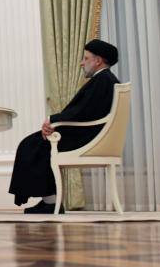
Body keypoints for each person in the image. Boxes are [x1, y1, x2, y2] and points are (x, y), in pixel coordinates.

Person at [9, 39, 121, 214]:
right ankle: (49, 200)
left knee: (32, 145)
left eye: (86, 58)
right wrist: (55, 123)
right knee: (33, 143)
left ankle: (50, 202)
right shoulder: (106, 79)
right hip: (89, 134)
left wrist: (52, 120)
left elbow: (84, 112)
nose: (82, 63)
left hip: (86, 137)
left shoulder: (102, 80)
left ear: (98, 60)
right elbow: (85, 111)